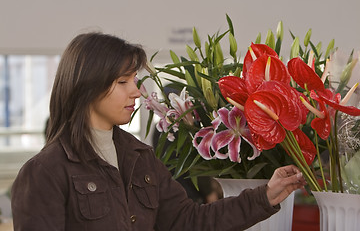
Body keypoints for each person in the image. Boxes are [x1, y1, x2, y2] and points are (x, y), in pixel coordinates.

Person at [11, 32, 306, 231]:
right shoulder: (45, 172)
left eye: (135, 81)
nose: (137, 93)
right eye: (124, 82)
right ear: (89, 85)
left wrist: (266, 195)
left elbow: (189, 221)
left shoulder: (141, 158)